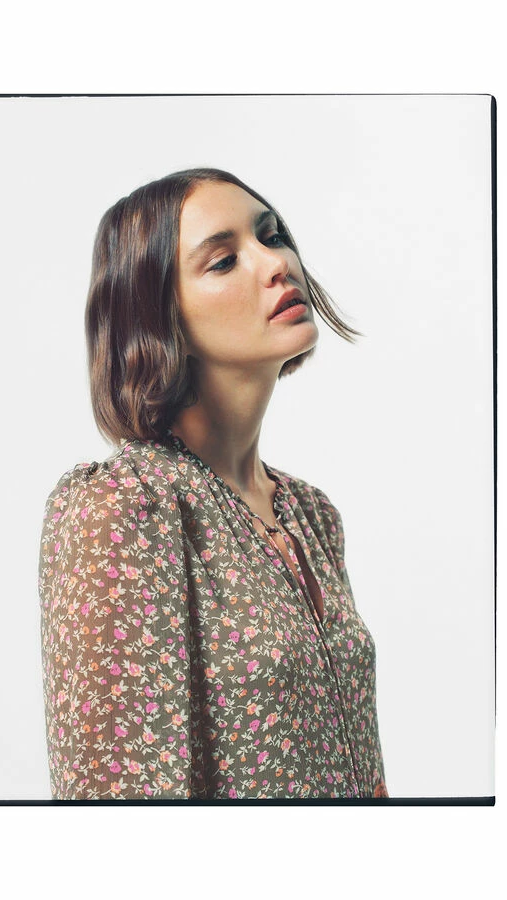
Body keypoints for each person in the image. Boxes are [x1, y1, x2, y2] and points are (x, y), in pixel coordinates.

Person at [38, 167, 388, 800]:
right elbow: (118, 807)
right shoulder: (123, 509)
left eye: (271, 235)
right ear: (157, 316)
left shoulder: (311, 514)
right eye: (224, 261)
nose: (278, 264)